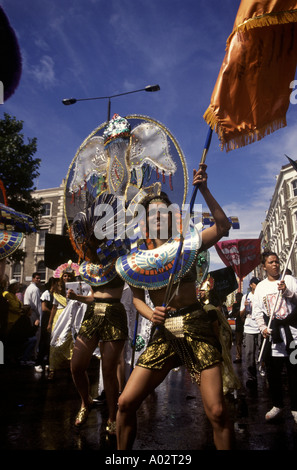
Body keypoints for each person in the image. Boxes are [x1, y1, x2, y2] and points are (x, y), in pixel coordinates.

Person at [116, 164, 234, 450]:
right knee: (125, 403)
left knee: (217, 412)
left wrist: (203, 188)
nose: (157, 218)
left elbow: (222, 226)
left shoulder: (188, 245)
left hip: (196, 325)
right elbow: (136, 301)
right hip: (164, 332)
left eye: (163, 213)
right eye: (151, 214)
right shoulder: (136, 260)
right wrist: (151, 313)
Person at [68, 236, 128, 434]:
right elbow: (94, 297)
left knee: (108, 370)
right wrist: (77, 297)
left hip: (114, 314)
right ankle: (86, 402)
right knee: (76, 365)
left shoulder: (121, 259)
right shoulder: (90, 266)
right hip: (92, 314)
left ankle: (112, 417)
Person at [253, 251, 297, 423]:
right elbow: (257, 311)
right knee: (274, 374)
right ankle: (277, 404)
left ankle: (295, 408)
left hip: (292, 334)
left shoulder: (290, 281)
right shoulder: (261, 288)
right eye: (271, 262)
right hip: (273, 337)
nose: (275, 265)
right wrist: (263, 327)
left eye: (277, 262)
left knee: (294, 372)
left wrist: (287, 292)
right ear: (264, 267)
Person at [240, 277, 261, 388]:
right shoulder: (246, 297)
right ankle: (251, 377)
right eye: (255, 284)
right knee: (249, 353)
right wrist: (246, 307)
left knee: (262, 351)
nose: (257, 286)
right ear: (251, 285)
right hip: (249, 328)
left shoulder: (261, 296)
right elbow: (240, 315)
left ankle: (264, 371)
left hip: (261, 328)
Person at [34, 277, 56, 373]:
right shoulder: (46, 294)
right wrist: (53, 312)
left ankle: (47, 362)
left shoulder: (55, 295)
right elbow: (43, 308)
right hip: (46, 320)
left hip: (53, 320)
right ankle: (38, 363)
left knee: (50, 343)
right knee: (44, 342)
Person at [232, 292, 244, 363]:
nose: (237, 298)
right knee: (238, 342)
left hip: (245, 325)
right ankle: (238, 357)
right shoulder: (235, 305)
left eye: (238, 297)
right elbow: (234, 314)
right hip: (238, 325)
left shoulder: (245, 304)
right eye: (236, 297)